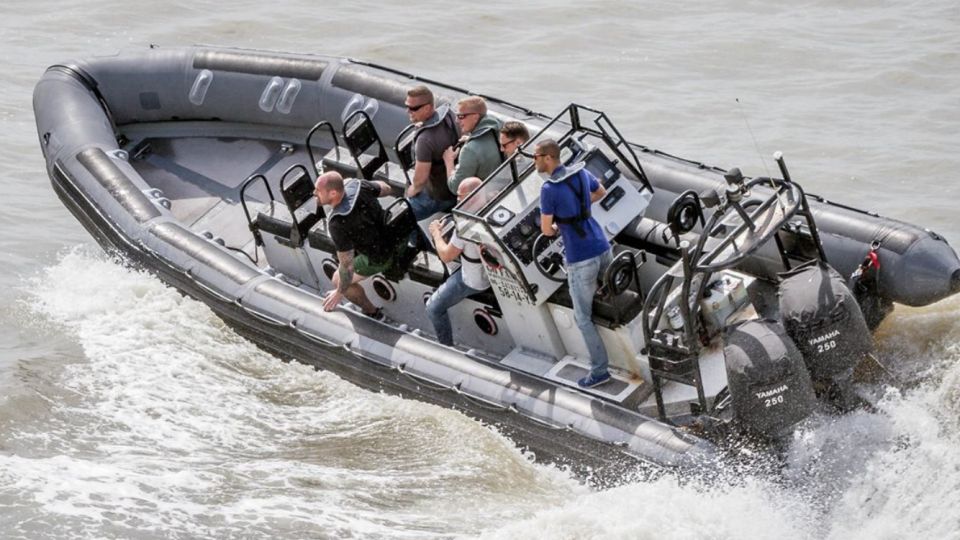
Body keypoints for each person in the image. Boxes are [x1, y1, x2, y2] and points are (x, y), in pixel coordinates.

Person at [536, 139, 614, 388]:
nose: (534, 161)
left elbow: (547, 230)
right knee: (612, 289)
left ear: (548, 158)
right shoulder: (582, 172)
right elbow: (601, 192)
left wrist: (561, 224)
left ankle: (600, 371)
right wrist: (579, 210)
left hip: (580, 256)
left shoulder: (548, 189)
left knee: (582, 317)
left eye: (536, 157)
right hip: (602, 244)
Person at [314, 171, 405, 320]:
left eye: (318, 191)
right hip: (398, 236)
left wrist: (339, 292)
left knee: (339, 279)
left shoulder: (337, 223)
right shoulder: (359, 186)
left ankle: (372, 312)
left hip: (382, 255)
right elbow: (386, 188)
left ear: (333, 193)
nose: (314, 193)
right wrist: (355, 184)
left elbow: (347, 266)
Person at [425, 177, 490, 346]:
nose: (457, 200)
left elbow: (447, 255)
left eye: (461, 196)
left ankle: (446, 347)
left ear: (473, 196)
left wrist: (436, 234)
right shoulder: (494, 203)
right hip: (494, 269)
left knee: (433, 308)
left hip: (476, 280)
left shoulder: (465, 224)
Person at [404, 85, 460, 221]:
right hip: (455, 182)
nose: (408, 111)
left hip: (440, 196)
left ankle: (415, 240)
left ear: (428, 108)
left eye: (414, 108)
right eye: (407, 106)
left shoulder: (424, 140)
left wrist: (409, 192)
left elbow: (420, 181)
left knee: (404, 216)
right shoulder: (449, 115)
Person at [443, 96, 502, 194]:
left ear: (475, 117)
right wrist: (470, 138)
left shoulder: (469, 150)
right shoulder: (496, 129)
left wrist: (449, 161)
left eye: (461, 116)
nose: (457, 121)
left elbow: (456, 187)